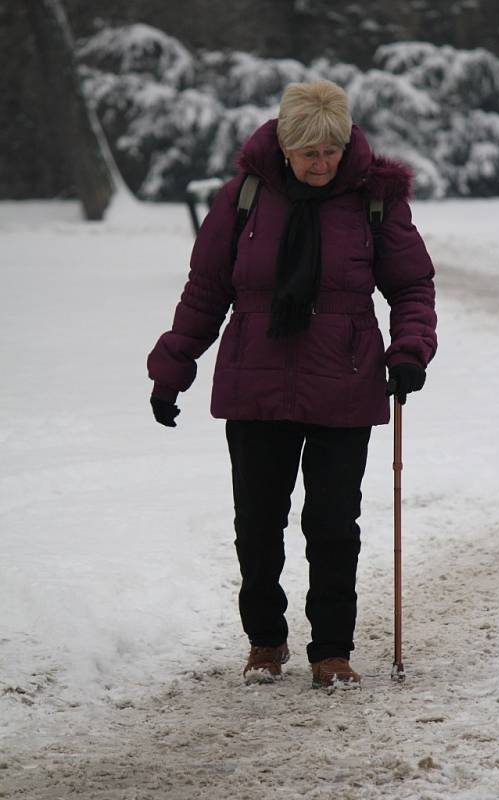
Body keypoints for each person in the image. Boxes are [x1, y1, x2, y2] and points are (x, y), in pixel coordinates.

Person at [147, 80, 437, 689]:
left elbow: (411, 287)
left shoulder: (374, 200)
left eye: (330, 151)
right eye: (308, 152)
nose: (321, 163)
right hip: (257, 383)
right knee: (258, 523)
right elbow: (206, 291)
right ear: (284, 145)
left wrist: (410, 349)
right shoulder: (244, 197)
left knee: (333, 525)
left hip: (346, 383)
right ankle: (265, 643)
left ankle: (331, 651)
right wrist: (172, 367)